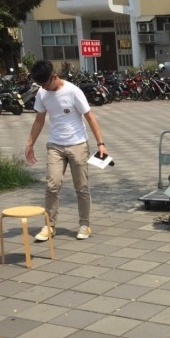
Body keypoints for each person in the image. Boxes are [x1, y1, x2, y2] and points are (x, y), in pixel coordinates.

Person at [24, 59, 108, 242]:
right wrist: (30, 144)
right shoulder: (42, 92)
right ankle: (49, 225)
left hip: (78, 144)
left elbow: (90, 118)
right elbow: (39, 120)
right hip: (55, 145)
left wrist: (101, 143)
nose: (44, 88)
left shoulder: (73, 92)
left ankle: (85, 224)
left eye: (46, 84)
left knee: (82, 187)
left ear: (54, 77)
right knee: (52, 185)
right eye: (40, 85)